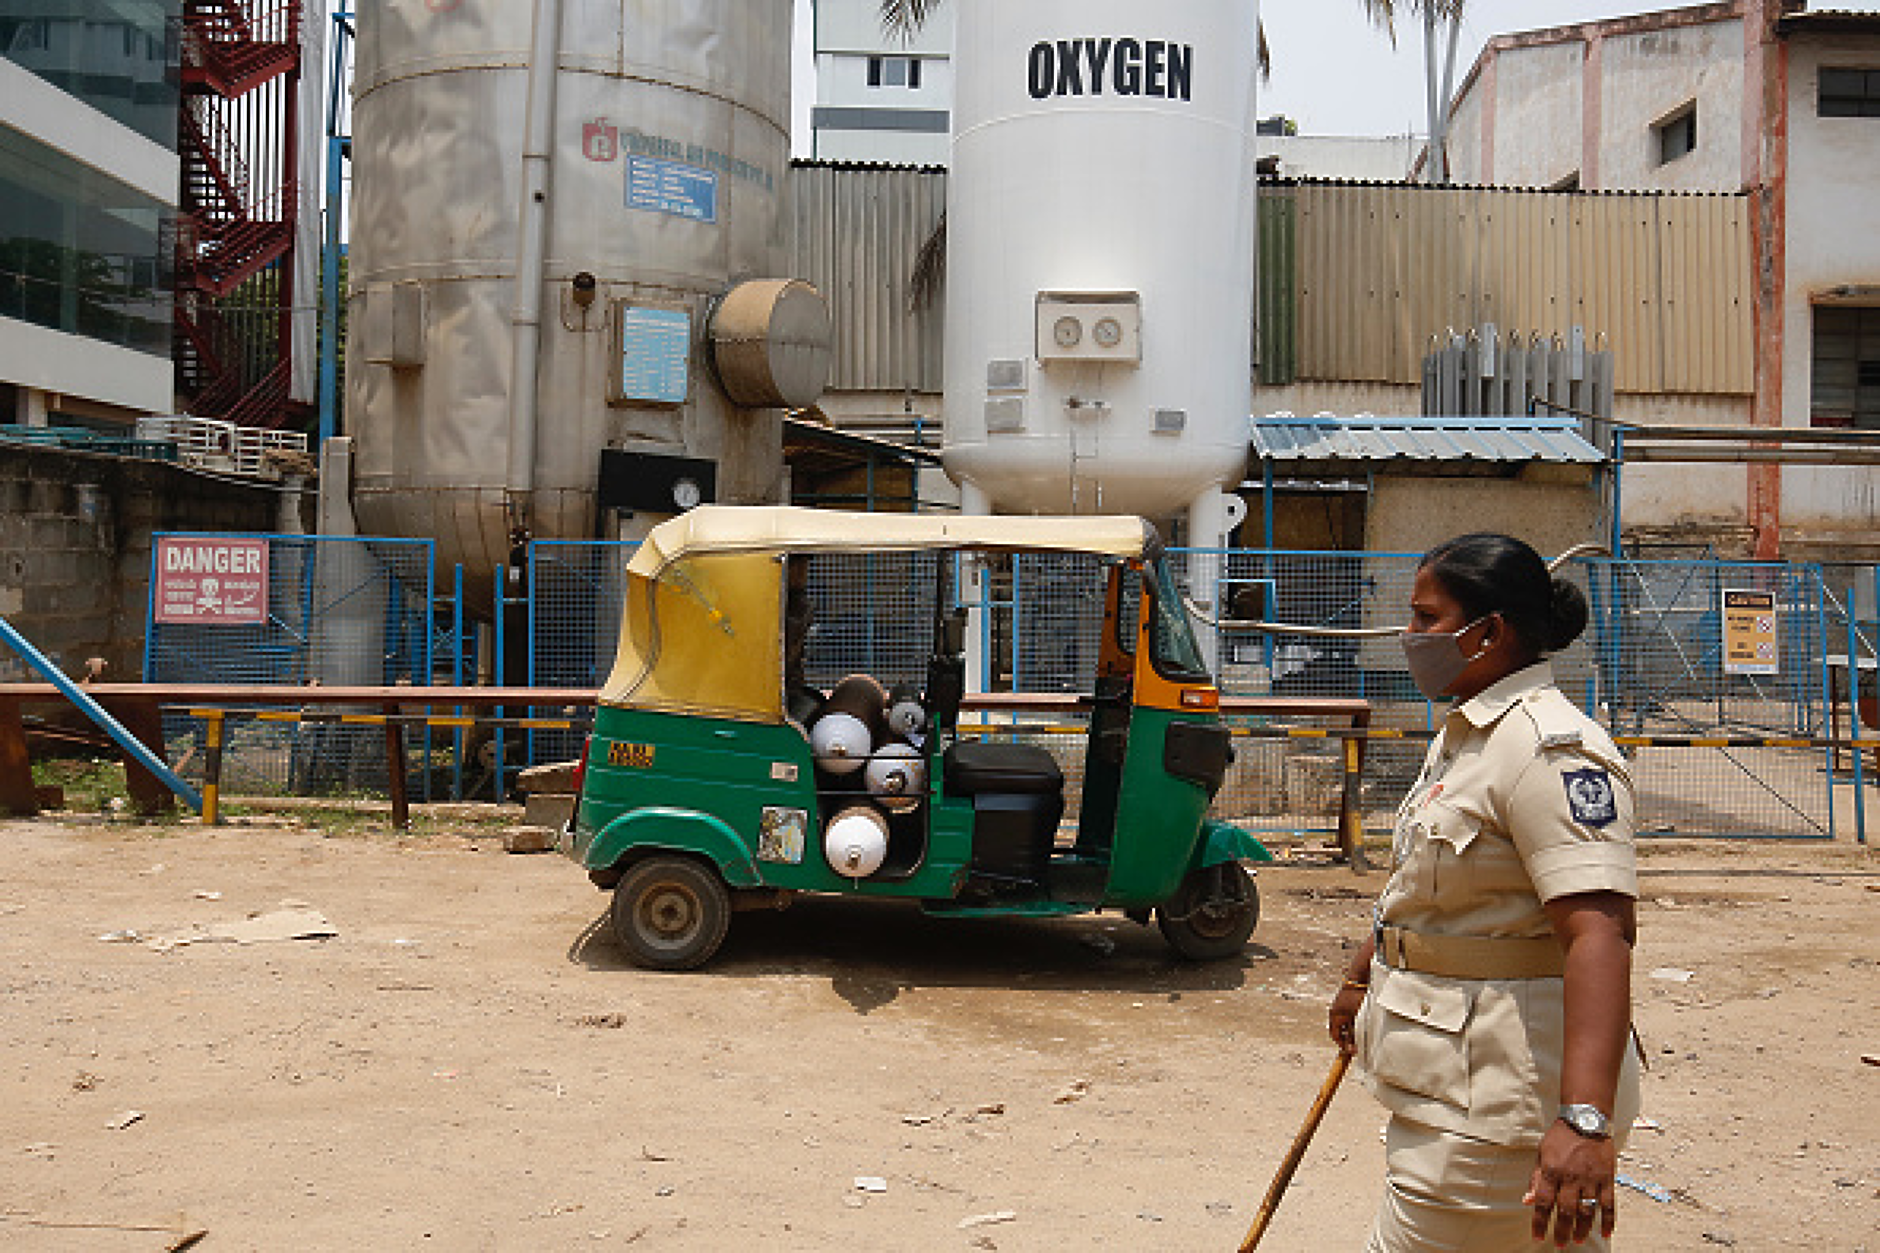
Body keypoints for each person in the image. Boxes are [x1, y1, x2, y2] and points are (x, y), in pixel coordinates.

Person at [1327, 533, 1641, 1251]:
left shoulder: (1547, 748)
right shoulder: (1465, 733)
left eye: (1426, 618)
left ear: (1489, 631)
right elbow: (1429, 886)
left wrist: (1585, 1119)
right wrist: (1360, 976)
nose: (1408, 637)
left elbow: (1599, 932)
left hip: (1500, 1107)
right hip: (1453, 1089)